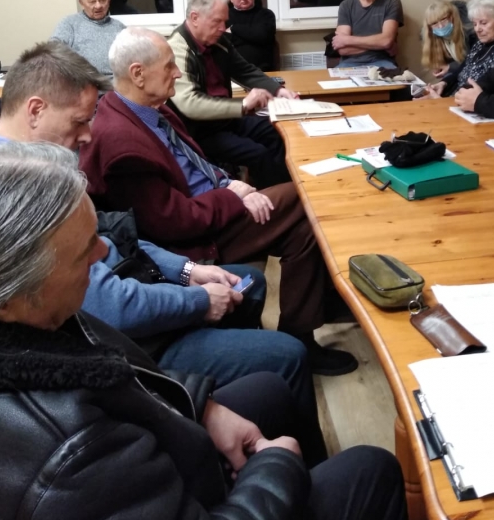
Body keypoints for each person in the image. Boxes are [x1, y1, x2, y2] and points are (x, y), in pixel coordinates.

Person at [0, 142, 411, 520]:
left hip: (151, 470)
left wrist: (202, 406)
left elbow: (121, 375)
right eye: (83, 254)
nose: (101, 257)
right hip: (188, 509)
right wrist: (277, 464)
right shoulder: (68, 453)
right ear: (9, 296)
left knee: (272, 389)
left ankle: (308, 485)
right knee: (371, 471)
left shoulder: (32, 318)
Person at [0, 41, 331, 417]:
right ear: (36, 110)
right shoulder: (13, 193)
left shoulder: (43, 166)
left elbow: (113, 236)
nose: (87, 136)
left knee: (250, 284)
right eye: (79, 122)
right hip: (124, 344)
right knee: (288, 354)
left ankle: (245, 399)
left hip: (136, 283)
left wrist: (186, 270)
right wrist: (197, 301)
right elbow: (108, 305)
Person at [79, 27, 358, 376]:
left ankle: (302, 331)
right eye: (169, 66)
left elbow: (197, 163)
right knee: (306, 195)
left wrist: (233, 183)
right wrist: (233, 196)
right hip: (195, 240)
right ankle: (322, 309)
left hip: (213, 207)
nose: (178, 73)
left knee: (302, 231)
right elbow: (172, 223)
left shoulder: (147, 110)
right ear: (138, 74)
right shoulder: (121, 141)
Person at [168, 0, 296, 188]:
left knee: (275, 133)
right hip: (200, 131)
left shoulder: (219, 41)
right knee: (258, 154)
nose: (223, 28)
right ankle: (273, 198)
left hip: (226, 119)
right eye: (217, 21)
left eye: (225, 22)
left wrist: (278, 90)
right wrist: (243, 105)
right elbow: (190, 104)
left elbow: (244, 70)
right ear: (194, 17)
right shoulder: (177, 49)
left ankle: (287, 192)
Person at [423, 0, 494, 98]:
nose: (477, 29)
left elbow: (483, 92)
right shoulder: (479, 45)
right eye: (474, 24)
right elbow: (462, 71)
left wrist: (441, 101)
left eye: (483, 23)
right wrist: (443, 83)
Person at [331, 0, 404, 68]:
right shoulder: (346, 5)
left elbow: (386, 41)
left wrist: (347, 40)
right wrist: (380, 45)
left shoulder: (391, 1)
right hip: (349, 63)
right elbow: (343, 49)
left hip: (382, 63)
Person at [51, 0, 125, 76]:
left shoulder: (119, 27)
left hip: (115, 82)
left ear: (109, 0)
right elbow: (53, 50)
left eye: (102, 1)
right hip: (83, 80)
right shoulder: (69, 24)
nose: (98, 6)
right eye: (92, 1)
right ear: (81, 3)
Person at [226, 0, 277, 71]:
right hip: (233, 73)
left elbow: (263, 36)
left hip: (262, 71)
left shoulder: (266, 14)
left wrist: (234, 28)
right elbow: (224, 42)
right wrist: (254, 36)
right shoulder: (224, 17)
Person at [419, 0, 474, 92]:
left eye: (443, 19)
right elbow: (455, 75)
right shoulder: (437, 41)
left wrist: (450, 67)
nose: (440, 26)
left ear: (452, 17)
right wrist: (443, 82)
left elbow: (473, 64)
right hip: (457, 82)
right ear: (429, 27)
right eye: (434, 23)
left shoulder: (471, 35)